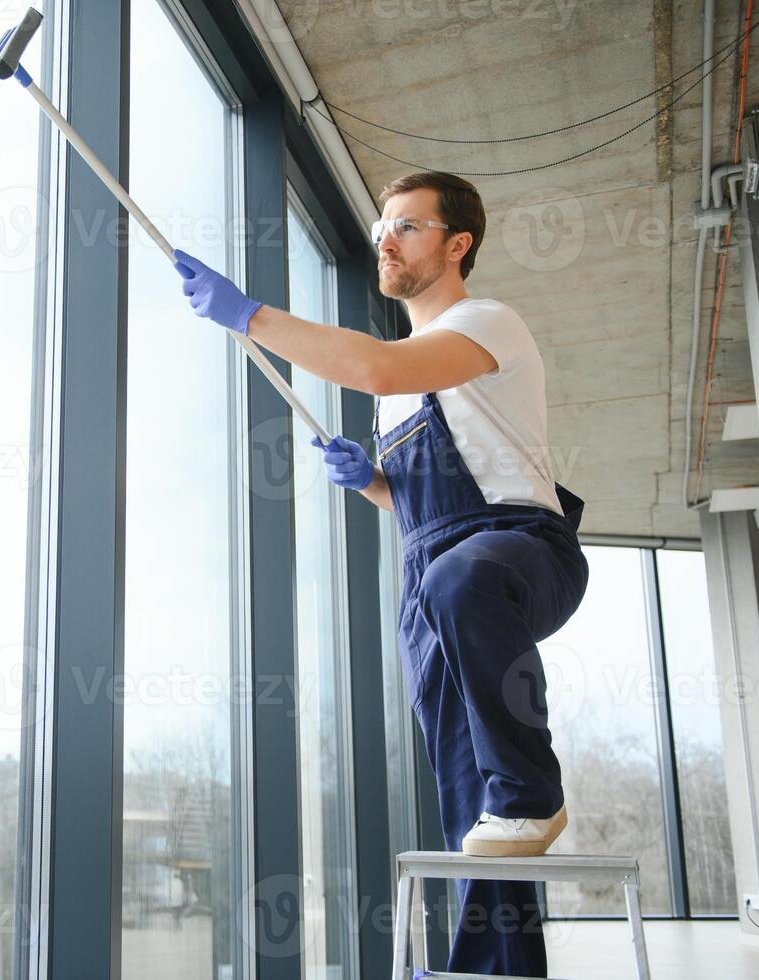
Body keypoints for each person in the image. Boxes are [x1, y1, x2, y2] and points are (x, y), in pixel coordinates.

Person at [171, 170, 589, 978]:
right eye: (379, 230)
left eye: (406, 226)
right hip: (431, 579)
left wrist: (249, 316)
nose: (385, 242)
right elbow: (418, 497)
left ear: (456, 243)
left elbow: (377, 368)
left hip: (517, 550)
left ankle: (535, 789)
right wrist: (374, 482)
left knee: (463, 591)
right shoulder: (398, 395)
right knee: (473, 802)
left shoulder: (484, 322)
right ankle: (493, 968)